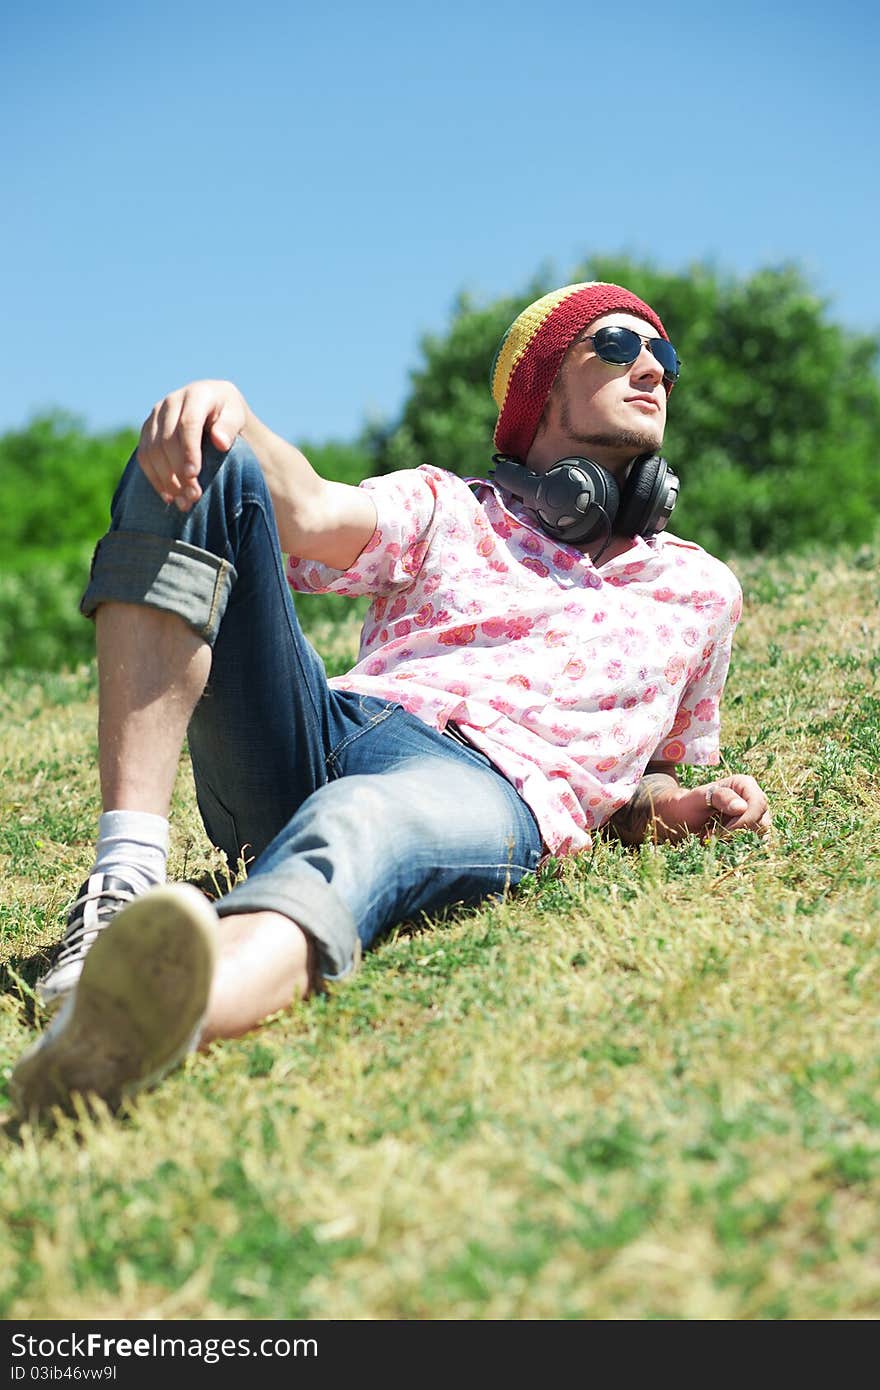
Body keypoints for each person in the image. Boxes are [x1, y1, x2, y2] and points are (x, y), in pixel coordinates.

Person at [11, 280, 771, 1119]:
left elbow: (650, 778)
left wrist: (684, 806)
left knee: (360, 823)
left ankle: (149, 1023)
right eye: (620, 348)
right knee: (200, 461)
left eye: (663, 357)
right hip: (332, 728)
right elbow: (305, 509)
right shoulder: (451, 506)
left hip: (486, 785)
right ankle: (121, 884)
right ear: (541, 388)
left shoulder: (701, 591)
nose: (653, 371)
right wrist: (230, 410)